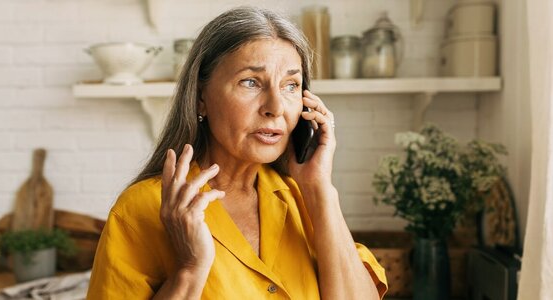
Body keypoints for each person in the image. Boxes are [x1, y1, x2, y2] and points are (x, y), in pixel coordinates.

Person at [87, 6, 387, 299]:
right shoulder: (142, 209)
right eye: (250, 82)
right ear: (201, 98)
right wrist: (190, 270)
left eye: (291, 85)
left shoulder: (304, 199)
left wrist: (319, 188)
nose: (275, 107)